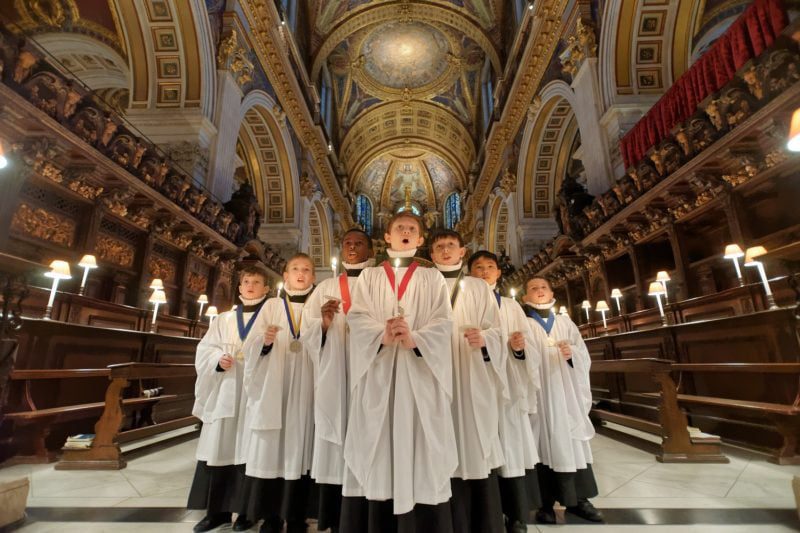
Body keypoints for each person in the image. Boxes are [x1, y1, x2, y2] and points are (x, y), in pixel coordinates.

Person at [340, 212, 457, 533]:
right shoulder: (370, 278)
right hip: (379, 373)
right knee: (379, 438)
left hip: (419, 372)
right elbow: (357, 317)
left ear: (420, 240)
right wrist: (382, 334)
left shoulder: (432, 278)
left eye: (412, 229)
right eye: (399, 228)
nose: (405, 232)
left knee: (420, 438)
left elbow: (444, 321)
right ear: (387, 238)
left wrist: (415, 337)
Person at [430, 232, 506, 533]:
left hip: (470, 373)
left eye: (451, 246)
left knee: (472, 441)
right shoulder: (423, 283)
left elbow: (496, 330)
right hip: (433, 373)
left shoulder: (478, 287)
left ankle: (479, 520)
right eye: (439, 247)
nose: (445, 250)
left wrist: (485, 338)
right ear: (431, 254)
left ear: (462, 250)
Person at [187, 264, 269, 532]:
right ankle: (217, 512)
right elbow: (205, 349)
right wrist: (217, 361)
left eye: (256, 282)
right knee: (219, 449)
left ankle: (248, 512)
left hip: (253, 393)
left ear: (266, 289)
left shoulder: (270, 319)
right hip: (226, 390)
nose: (250, 286)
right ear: (239, 286)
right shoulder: (224, 319)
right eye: (246, 281)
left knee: (250, 452)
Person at [302, 228, 374, 533]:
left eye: (359, 243)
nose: (353, 247)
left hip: (370, 368)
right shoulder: (326, 286)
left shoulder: (378, 282)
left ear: (372, 249)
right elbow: (308, 329)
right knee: (337, 436)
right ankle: (333, 515)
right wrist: (325, 322)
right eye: (347, 243)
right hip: (335, 369)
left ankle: (370, 511)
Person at [238, 254, 317, 533]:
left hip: (306, 385)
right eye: (295, 268)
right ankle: (270, 517)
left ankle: (296, 518)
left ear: (313, 276)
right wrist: (265, 341)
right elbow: (250, 344)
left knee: (299, 449)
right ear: (285, 275)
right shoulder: (271, 305)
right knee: (270, 451)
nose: (300, 273)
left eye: (306, 270)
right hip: (275, 382)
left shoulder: (318, 304)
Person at [469, 251, 542, 533]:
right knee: (481, 447)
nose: (484, 271)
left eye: (490, 267)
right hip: (477, 381)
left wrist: (519, 348)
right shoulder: (463, 303)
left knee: (510, 447)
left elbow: (530, 348)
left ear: (499, 272)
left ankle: (516, 514)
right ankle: (485, 514)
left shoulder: (511, 307)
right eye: (478, 267)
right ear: (469, 273)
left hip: (507, 386)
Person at [521, 276, 603, 524]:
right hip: (539, 395)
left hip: (565, 394)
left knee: (571, 443)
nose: (539, 291)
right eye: (533, 288)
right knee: (540, 446)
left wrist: (572, 354)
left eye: (543, 287)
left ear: (551, 292)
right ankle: (544, 503)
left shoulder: (566, 323)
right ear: (525, 297)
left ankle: (578, 500)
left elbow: (583, 355)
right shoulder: (523, 324)